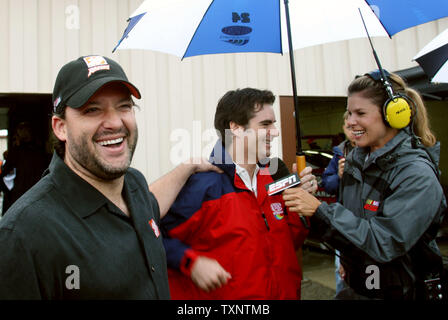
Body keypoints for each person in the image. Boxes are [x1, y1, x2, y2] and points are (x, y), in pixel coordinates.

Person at [0, 55, 220, 299]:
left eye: (124, 106)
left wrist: (188, 166)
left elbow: (151, 204)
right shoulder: (23, 234)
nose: (115, 122)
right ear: (60, 127)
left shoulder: (134, 185)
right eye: (92, 110)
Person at [282, 70, 447, 300]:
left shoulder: (417, 174)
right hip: (358, 289)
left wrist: (319, 210)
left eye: (360, 113)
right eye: (349, 113)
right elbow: (353, 226)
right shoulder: (354, 162)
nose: (350, 122)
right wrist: (349, 260)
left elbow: (383, 242)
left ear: (394, 115)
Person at [161, 88, 318, 299]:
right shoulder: (203, 186)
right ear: (235, 128)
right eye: (265, 124)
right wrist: (190, 262)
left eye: (274, 123)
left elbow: (286, 245)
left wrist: (300, 204)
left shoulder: (274, 177)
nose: (276, 131)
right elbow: (152, 238)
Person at [321, 111, 356, 294]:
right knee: (342, 274)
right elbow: (327, 184)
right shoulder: (339, 153)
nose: (352, 129)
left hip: (368, 224)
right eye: (347, 126)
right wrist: (340, 176)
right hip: (344, 223)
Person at [0, 122, 49, 214]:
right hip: (38, 191)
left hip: (20, 193)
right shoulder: (39, 152)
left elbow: (3, 174)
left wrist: (8, 192)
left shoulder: (16, 152)